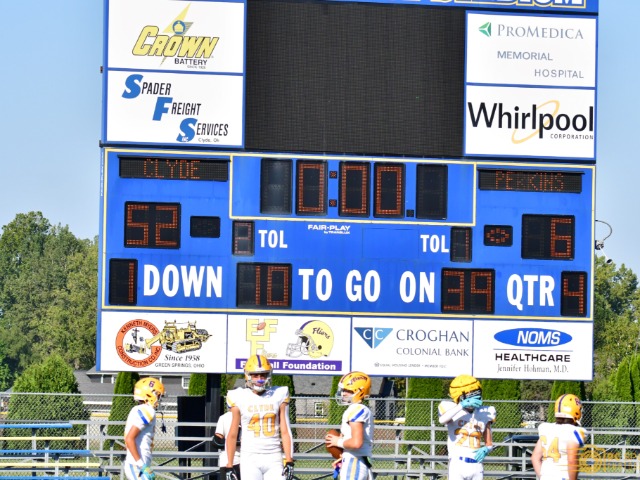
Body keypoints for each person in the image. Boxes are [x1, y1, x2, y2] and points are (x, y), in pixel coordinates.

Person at [223, 354, 295, 480]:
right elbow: (232, 434)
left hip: (273, 455)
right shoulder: (238, 396)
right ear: (248, 375)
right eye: (255, 375)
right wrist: (229, 464)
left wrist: (289, 459)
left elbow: (285, 430)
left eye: (263, 375)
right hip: (250, 457)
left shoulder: (278, 394)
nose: (260, 379)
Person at [438, 374, 496, 480]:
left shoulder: (485, 412)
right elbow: (442, 420)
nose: (474, 398)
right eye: (470, 395)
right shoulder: (452, 409)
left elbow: (489, 443)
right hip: (457, 463)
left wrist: (488, 448)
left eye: (476, 394)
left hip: (477, 464)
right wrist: (461, 405)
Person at [325, 371, 374, 480]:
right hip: (356, 460)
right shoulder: (357, 409)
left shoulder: (357, 409)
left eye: (348, 390)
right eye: (343, 390)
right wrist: (343, 457)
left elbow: (356, 443)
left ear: (359, 391)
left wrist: (337, 442)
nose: (343, 393)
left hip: (355, 462)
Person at [531, 394, 586, 480]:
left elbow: (535, 457)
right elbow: (572, 461)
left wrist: (543, 477)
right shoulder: (574, 431)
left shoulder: (546, 428)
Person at [124, 377, 165, 480]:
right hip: (137, 466)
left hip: (137, 464)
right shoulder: (147, 410)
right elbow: (129, 439)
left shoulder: (139, 409)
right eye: (158, 395)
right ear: (150, 394)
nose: (159, 399)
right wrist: (142, 465)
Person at [213, 410, 241, 479]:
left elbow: (217, 442)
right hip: (242, 458)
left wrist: (229, 442)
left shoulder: (224, 417)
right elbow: (217, 442)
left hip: (229, 460)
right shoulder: (248, 415)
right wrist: (237, 442)